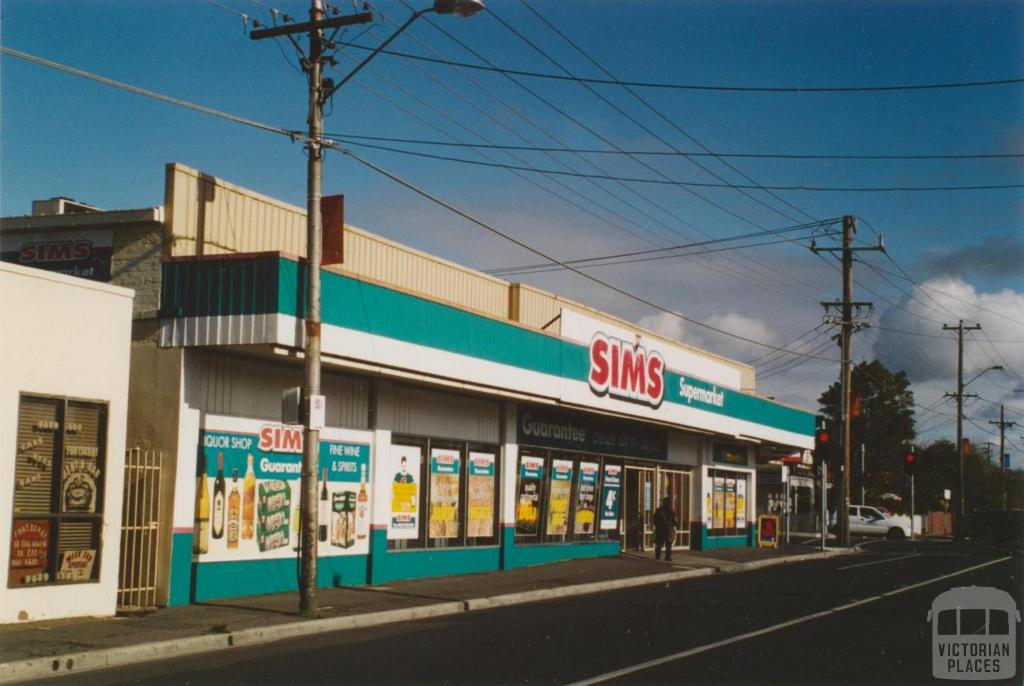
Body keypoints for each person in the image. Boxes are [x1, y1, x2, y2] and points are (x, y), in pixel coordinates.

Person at [653, 495, 676, 561]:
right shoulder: (671, 511)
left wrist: (658, 526)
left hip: (660, 530)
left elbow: (654, 520)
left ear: (663, 502)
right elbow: (674, 522)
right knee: (668, 544)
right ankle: (668, 557)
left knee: (659, 543)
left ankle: (657, 556)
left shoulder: (658, 510)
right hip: (668, 530)